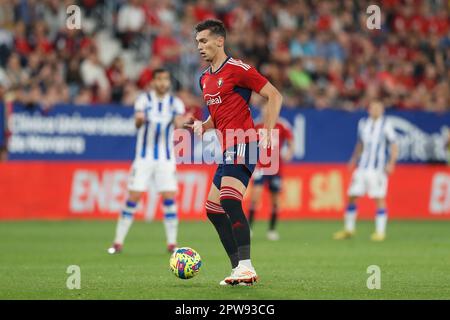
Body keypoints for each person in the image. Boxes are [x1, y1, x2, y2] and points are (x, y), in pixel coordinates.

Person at [186, 19, 282, 286]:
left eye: (204, 41)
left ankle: (247, 266)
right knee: (213, 209)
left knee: (229, 200)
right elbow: (218, 116)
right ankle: (238, 269)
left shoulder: (239, 69)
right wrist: (203, 126)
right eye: (197, 43)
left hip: (244, 142)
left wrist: (269, 130)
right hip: (226, 147)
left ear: (220, 41)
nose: (199, 47)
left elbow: (274, 95)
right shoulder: (204, 79)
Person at [108, 68, 188, 254]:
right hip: (143, 158)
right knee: (133, 197)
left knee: (169, 197)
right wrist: (139, 119)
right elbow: (137, 123)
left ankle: (172, 243)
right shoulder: (144, 100)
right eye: (159, 79)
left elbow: (178, 124)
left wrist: (180, 122)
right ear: (153, 82)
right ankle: (118, 242)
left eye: (165, 79)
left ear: (168, 82)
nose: (162, 83)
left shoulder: (175, 103)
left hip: (166, 158)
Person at [333, 100, 398, 241]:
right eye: (373, 108)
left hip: (378, 168)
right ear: (369, 110)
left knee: (379, 198)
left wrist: (391, 163)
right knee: (351, 196)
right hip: (362, 167)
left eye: (378, 108)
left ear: (382, 110)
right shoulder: (363, 123)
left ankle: (380, 232)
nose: (375, 110)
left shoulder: (386, 124)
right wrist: (353, 159)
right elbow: (360, 143)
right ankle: (349, 229)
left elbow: (394, 145)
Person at [248, 107, 295, 241]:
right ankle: (249, 228)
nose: (267, 113)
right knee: (255, 197)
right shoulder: (256, 125)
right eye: (265, 111)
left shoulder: (281, 124)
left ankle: (272, 230)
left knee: (275, 200)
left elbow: (291, 141)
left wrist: (289, 153)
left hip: (276, 168)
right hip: (260, 167)